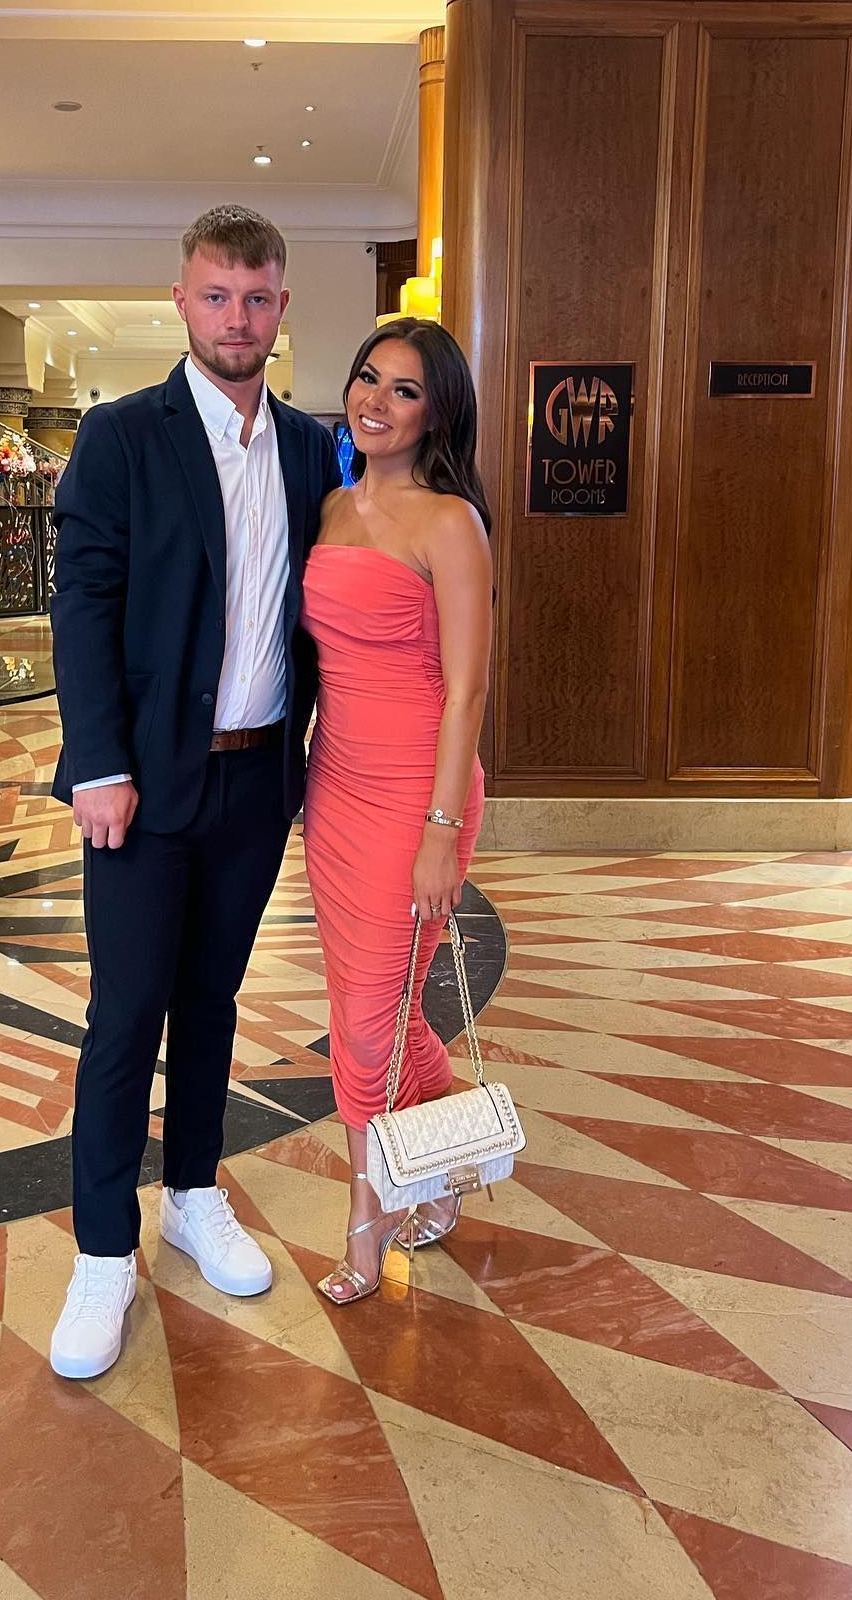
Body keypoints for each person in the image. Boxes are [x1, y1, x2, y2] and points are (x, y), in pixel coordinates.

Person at [47, 206, 340, 1377]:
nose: (237, 318)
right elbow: (83, 607)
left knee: (212, 1001)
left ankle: (192, 1194)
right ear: (182, 300)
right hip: (142, 783)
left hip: (257, 778)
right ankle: (101, 1253)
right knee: (126, 1016)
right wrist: (98, 763)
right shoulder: (121, 436)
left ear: (281, 307)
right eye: (217, 295)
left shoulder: (312, 449)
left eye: (257, 298)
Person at [300, 318, 493, 1303]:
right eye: (367, 377)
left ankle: (367, 1220)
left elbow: (467, 692)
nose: (375, 401)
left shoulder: (450, 523)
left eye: (404, 389)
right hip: (334, 788)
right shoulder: (332, 506)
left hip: (418, 796)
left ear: (436, 413)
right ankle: (447, 1157)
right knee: (370, 1007)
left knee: (369, 1028)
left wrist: (441, 834)